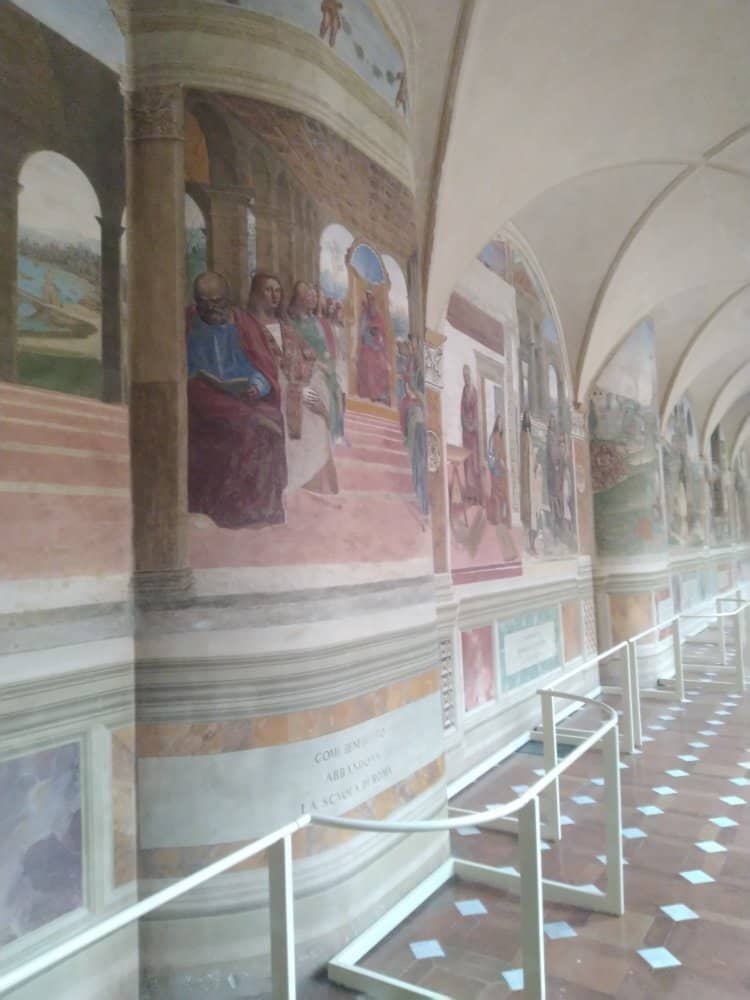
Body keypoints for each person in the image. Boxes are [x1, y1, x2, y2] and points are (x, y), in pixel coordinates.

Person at [186, 272, 286, 528]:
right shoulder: (188, 322)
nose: (211, 309)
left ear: (228, 299)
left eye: (217, 302)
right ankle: (229, 511)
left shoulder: (246, 324)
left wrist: (257, 386)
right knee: (246, 427)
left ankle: (261, 508)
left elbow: (265, 368)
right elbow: (185, 373)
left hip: (245, 395)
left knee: (272, 423)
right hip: (206, 398)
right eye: (204, 303)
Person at [356, 289, 391, 405]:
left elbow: (383, 334)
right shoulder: (365, 315)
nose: (372, 304)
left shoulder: (379, 316)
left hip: (378, 348)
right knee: (368, 363)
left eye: (373, 300)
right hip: (367, 347)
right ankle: (371, 394)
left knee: (383, 366)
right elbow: (362, 332)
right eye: (369, 299)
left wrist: (379, 342)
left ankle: (381, 395)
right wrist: (370, 334)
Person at [460, 364, 483, 506]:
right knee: (466, 462)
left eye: (467, 376)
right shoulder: (464, 391)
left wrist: (472, 426)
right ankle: (469, 494)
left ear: (470, 376)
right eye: (464, 376)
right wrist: (465, 424)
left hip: (473, 433)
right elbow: (461, 411)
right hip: (466, 433)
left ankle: (477, 495)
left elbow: (476, 412)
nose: (466, 378)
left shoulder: (474, 392)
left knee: (474, 463)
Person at [486, 415, 510, 527]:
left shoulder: (501, 438)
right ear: (496, 424)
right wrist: (497, 461)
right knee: (496, 494)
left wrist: (504, 463)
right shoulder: (493, 437)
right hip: (496, 469)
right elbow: (490, 454)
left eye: (502, 423)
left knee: (504, 494)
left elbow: (504, 454)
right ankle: (495, 517)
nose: (501, 425)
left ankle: (502, 517)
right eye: (499, 423)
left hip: (502, 470)